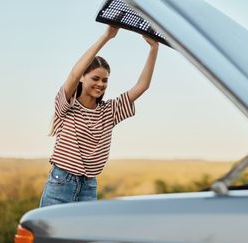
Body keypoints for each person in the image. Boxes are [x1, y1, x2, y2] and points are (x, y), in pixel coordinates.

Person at [39, 25, 159, 207]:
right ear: (82, 78)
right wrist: (107, 36)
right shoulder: (67, 104)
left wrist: (153, 49)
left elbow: (142, 86)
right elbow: (73, 74)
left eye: (105, 80)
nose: (101, 84)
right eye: (95, 78)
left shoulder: (109, 111)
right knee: (50, 235)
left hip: (89, 185)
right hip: (61, 182)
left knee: (84, 236)